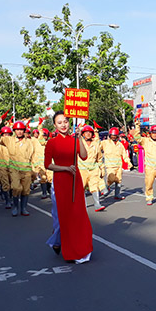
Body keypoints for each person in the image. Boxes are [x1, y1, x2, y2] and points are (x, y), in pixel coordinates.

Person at [44, 111, 93, 264]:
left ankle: (81, 248)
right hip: (61, 181)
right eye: (60, 122)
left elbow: (84, 156)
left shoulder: (74, 140)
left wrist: (79, 138)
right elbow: (47, 164)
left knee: (78, 215)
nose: (63, 125)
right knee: (63, 217)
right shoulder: (52, 143)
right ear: (55, 125)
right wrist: (64, 168)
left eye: (65, 121)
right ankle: (66, 247)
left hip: (75, 180)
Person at [0, 119, 37, 217]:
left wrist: (34, 169)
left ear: (24, 130)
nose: (19, 131)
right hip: (14, 170)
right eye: (17, 130)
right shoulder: (9, 140)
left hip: (26, 170)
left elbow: (33, 156)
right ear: (14, 131)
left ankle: (24, 208)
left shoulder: (29, 142)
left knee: (26, 190)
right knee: (16, 188)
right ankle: (16, 207)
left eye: (21, 129)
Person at [78, 125, 105, 212]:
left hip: (93, 170)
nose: (88, 134)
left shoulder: (96, 144)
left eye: (90, 132)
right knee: (81, 188)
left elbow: (99, 158)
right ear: (83, 134)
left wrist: (102, 168)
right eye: (86, 132)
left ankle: (97, 204)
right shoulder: (78, 143)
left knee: (95, 187)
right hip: (82, 170)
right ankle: (83, 206)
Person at [100, 127, 130, 200]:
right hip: (110, 165)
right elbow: (97, 149)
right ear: (110, 135)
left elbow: (124, 154)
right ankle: (105, 189)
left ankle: (117, 194)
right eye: (112, 135)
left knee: (118, 180)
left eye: (115, 135)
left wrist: (128, 162)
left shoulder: (120, 144)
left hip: (119, 165)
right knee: (111, 178)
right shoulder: (105, 143)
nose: (113, 137)